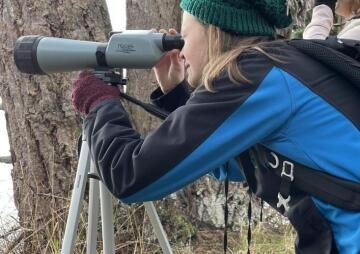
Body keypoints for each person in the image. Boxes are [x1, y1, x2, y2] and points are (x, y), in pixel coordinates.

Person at [71, 0, 360, 253]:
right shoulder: (274, 68)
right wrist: (175, 95)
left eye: (183, 38)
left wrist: (99, 103)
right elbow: (236, 164)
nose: (180, 52)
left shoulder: (253, 76)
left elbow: (130, 176)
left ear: (214, 32)